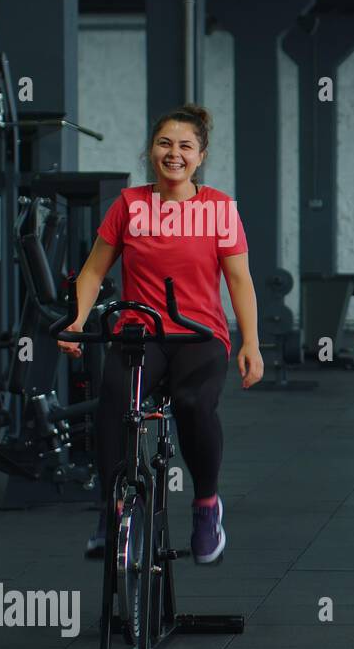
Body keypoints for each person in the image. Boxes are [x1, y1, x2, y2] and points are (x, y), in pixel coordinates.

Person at [58, 104, 264, 563]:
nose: (174, 153)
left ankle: (207, 506)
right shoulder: (129, 206)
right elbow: (92, 272)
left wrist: (250, 341)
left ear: (201, 156)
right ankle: (110, 512)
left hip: (199, 335)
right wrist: (75, 321)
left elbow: (239, 281)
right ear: (151, 151)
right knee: (113, 404)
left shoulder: (219, 209)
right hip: (141, 334)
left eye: (185, 146)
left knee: (193, 404)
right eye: (165, 144)